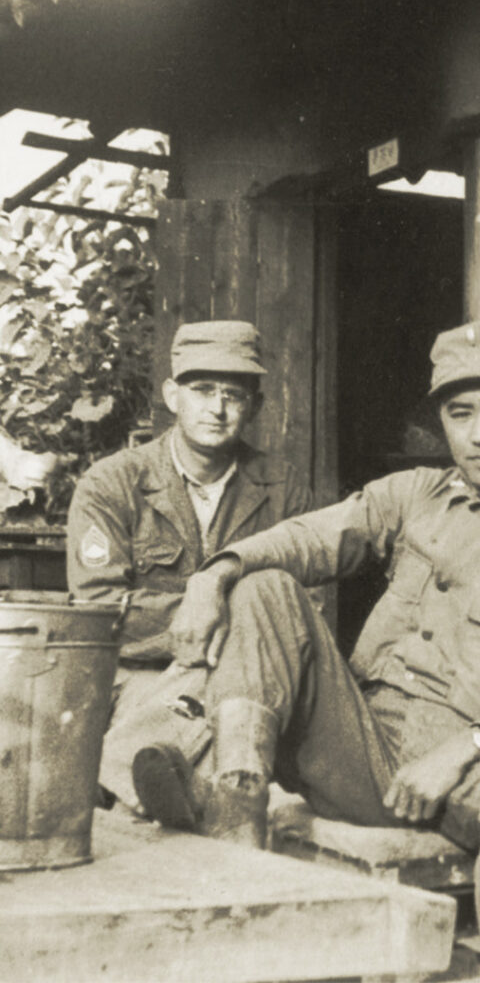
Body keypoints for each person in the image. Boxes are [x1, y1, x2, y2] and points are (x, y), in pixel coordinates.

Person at [127, 320, 480, 982]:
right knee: (264, 586)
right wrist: (215, 572)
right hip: (364, 749)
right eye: (460, 414)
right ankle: (235, 811)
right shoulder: (418, 494)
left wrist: (468, 746)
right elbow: (310, 538)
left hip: (472, 775)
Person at [66, 319, 312, 802]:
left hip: (248, 676)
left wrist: (225, 631)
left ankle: (115, 783)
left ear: (256, 406)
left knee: (237, 701)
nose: (217, 409)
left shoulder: (284, 489)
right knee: (206, 712)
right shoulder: (112, 483)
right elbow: (100, 610)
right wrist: (222, 622)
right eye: (202, 391)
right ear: (172, 396)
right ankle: (185, 793)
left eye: (233, 395)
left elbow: (306, 607)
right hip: (138, 674)